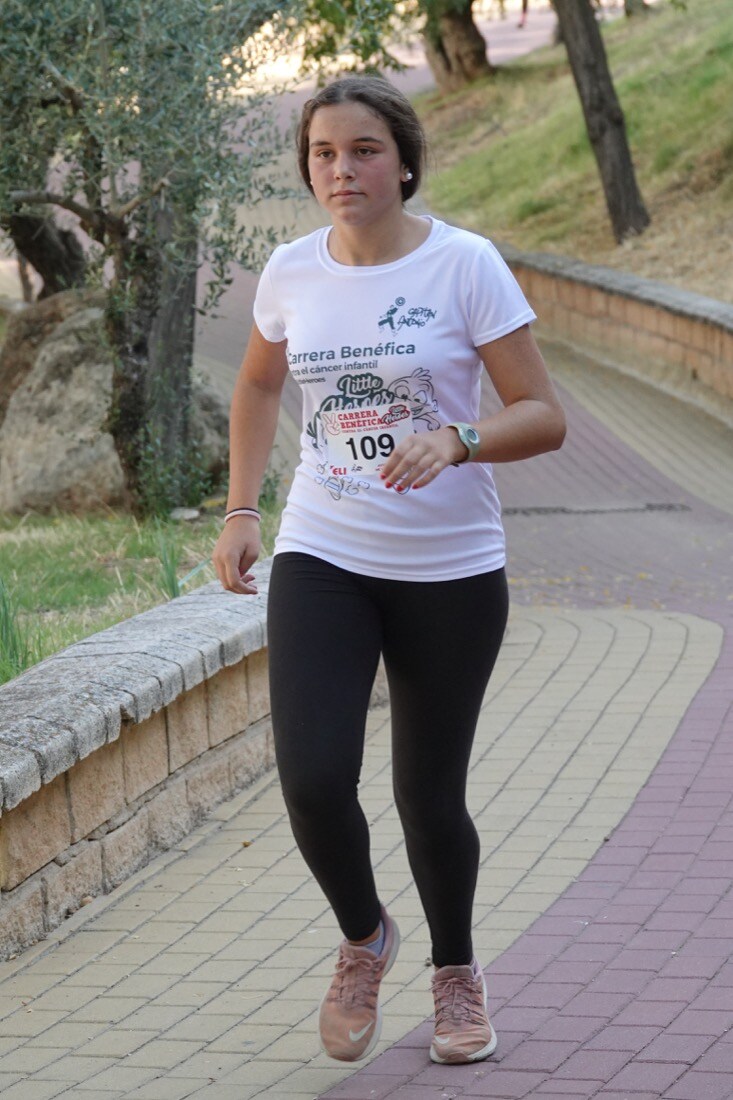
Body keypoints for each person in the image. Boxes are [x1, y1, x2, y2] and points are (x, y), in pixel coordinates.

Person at [213, 75, 566, 1067]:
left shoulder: (465, 267)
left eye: (363, 150)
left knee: (426, 793)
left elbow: (543, 413)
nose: (341, 169)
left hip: (450, 568)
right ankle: (365, 933)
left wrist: (459, 439)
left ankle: (455, 973)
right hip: (324, 551)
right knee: (314, 777)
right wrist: (243, 509)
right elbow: (254, 382)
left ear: (403, 160)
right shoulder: (290, 271)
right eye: (323, 153)